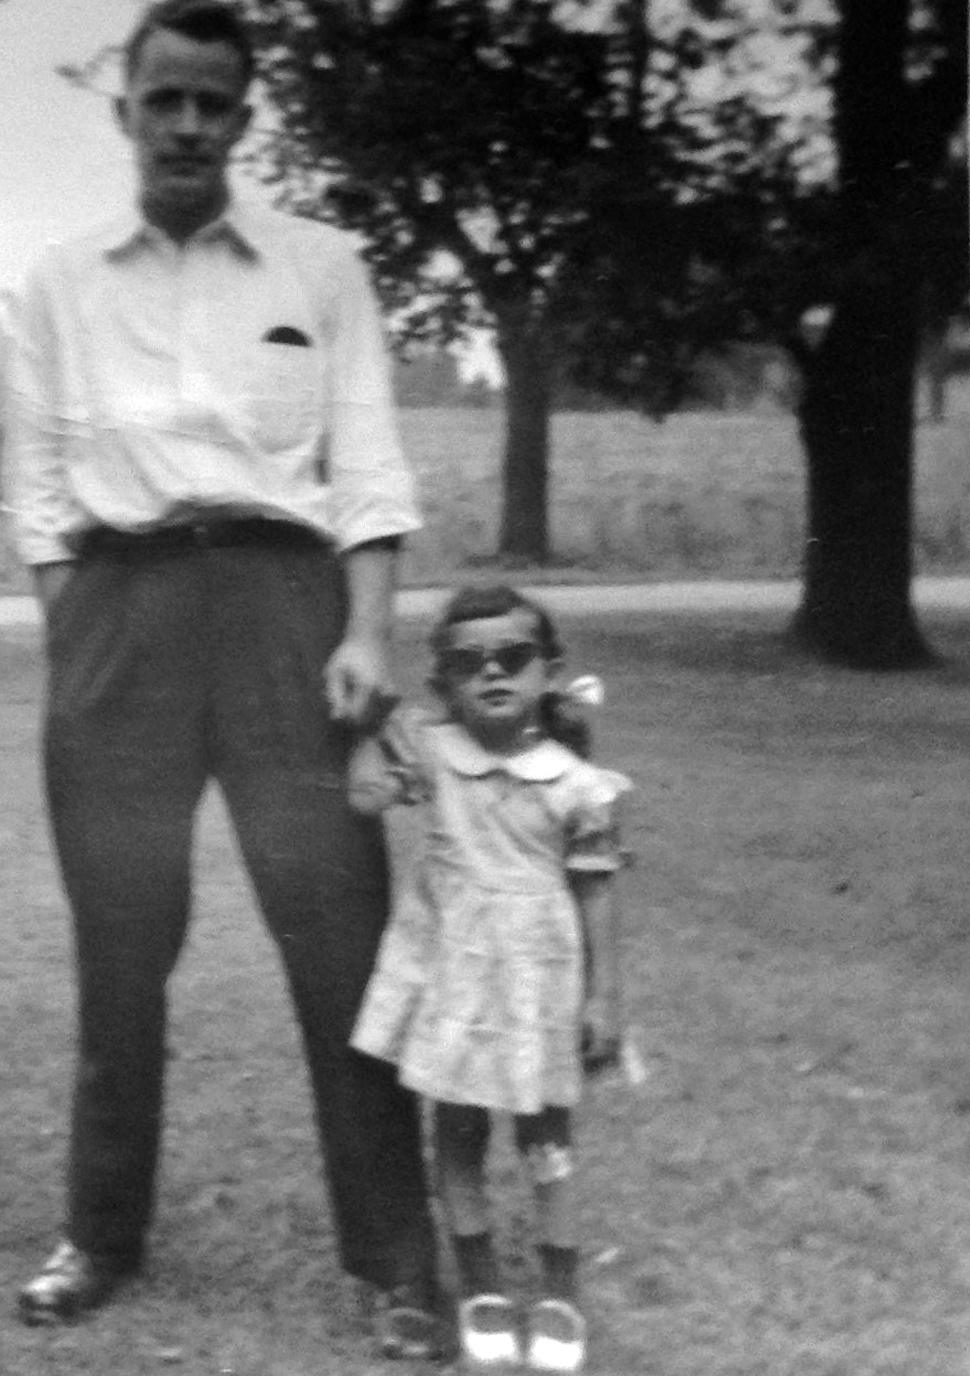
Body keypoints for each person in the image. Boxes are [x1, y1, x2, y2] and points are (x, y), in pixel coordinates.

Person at [5, 0, 442, 1357]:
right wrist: (85, 626)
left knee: (339, 939)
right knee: (121, 947)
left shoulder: (322, 267)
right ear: (126, 110)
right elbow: (35, 495)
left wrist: (365, 630)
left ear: (245, 120)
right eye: (166, 100)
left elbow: (366, 471)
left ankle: (393, 1259)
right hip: (118, 615)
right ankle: (101, 1235)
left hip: (285, 615)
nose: (189, 124)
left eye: (215, 103)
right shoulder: (53, 283)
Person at [347, 584, 632, 1373]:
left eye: (513, 658)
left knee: (547, 1142)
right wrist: (372, 726)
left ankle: (560, 1296)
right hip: (458, 986)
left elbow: (597, 890)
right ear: (443, 684)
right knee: (461, 1136)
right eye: (469, 663)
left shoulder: (579, 786)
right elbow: (365, 796)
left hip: (540, 988)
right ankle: (479, 1286)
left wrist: (605, 996)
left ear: (549, 672)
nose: (493, 674)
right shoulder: (436, 756)